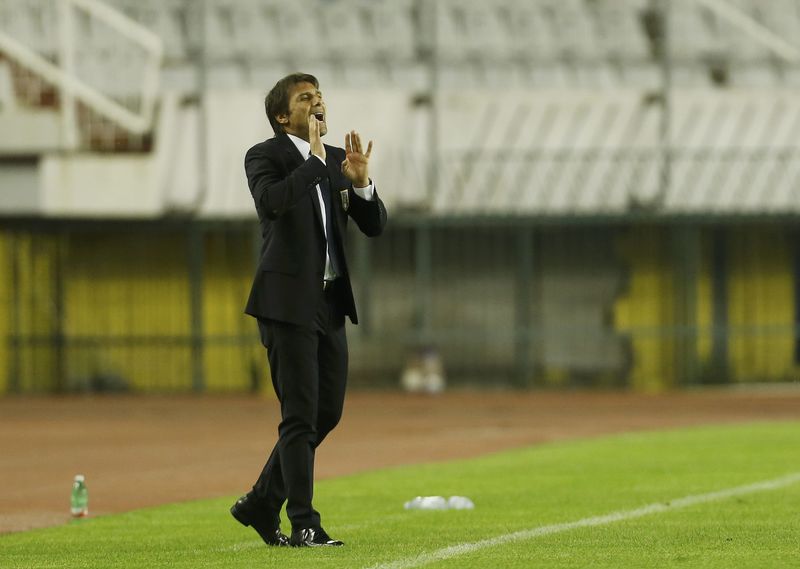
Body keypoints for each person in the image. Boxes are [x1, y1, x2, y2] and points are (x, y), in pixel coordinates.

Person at [230, 73, 387, 548]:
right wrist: (315, 163)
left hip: (328, 302)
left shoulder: (339, 160)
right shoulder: (266, 156)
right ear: (283, 116)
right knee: (299, 414)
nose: (318, 104)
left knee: (327, 412)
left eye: (320, 97)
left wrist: (361, 185)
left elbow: (374, 225)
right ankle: (304, 523)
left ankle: (261, 501)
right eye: (305, 99)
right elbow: (271, 203)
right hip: (285, 303)